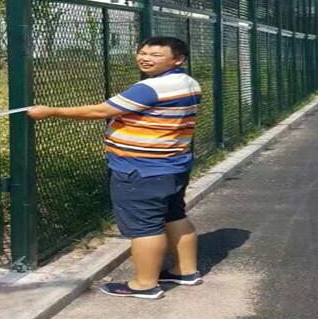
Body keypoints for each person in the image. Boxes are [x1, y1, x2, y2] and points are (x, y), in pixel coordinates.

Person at [28, 36, 202, 300]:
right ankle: (185, 271)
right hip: (173, 165)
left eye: (155, 55)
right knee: (174, 215)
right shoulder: (188, 83)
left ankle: (144, 285)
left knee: (145, 227)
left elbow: (100, 111)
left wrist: (51, 111)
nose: (145, 58)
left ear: (178, 59)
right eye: (142, 52)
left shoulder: (151, 88)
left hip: (140, 169)